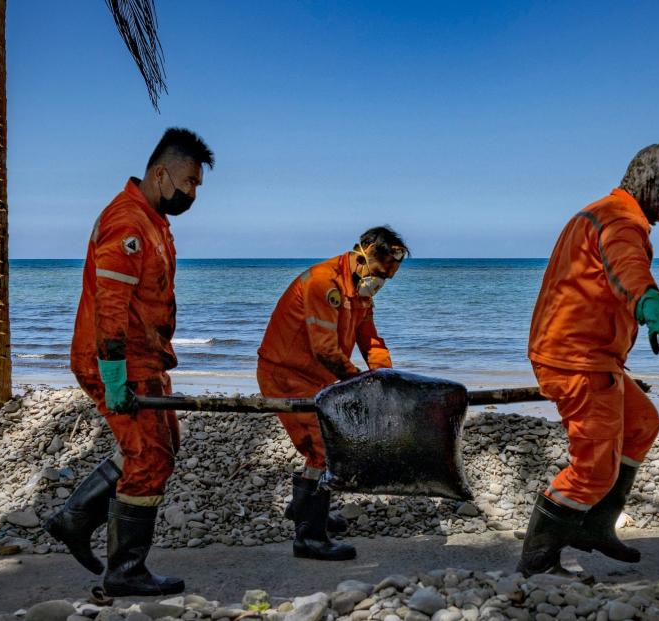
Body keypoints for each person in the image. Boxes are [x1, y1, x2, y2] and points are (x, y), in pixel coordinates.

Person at [44, 128, 214, 597]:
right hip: (117, 359)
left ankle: (75, 518)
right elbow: (110, 308)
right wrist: (114, 375)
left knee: (165, 443)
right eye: (190, 182)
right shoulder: (128, 223)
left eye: (198, 185)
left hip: (146, 358)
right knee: (149, 456)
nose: (193, 193)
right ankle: (125, 571)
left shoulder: (154, 220)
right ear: (161, 173)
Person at [519, 143, 659, 576]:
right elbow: (627, 269)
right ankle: (539, 563)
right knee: (594, 468)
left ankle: (595, 526)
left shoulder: (596, 212)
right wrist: (652, 306)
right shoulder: (620, 219)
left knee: (641, 425)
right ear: (648, 183)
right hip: (578, 360)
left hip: (589, 354)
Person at [256, 226, 408, 561]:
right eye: (380, 273)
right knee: (323, 447)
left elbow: (370, 341)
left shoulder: (360, 294)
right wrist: (360, 383)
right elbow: (326, 350)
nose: (381, 282)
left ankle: (306, 510)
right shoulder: (324, 283)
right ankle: (309, 539)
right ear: (365, 251)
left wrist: (385, 376)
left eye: (388, 278)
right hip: (286, 374)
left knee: (324, 446)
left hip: (316, 377)